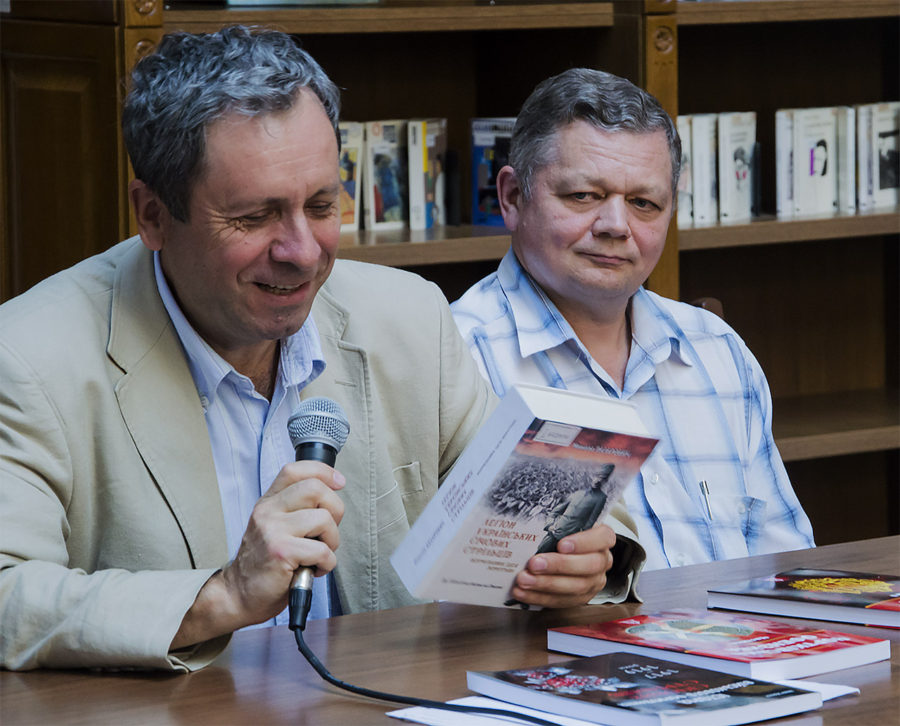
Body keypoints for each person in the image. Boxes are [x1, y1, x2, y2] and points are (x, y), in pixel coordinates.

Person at [0, 29, 642, 672]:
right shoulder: (29, 355)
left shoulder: (408, 319)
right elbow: (7, 596)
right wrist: (221, 594)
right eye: (254, 217)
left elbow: (568, 514)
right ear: (153, 215)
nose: (303, 252)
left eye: (322, 204)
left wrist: (577, 560)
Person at [452, 68, 815, 573]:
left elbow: (784, 567)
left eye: (644, 203)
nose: (616, 226)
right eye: (583, 196)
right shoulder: (454, 360)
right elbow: (444, 599)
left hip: (733, 646)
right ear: (513, 198)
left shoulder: (716, 349)